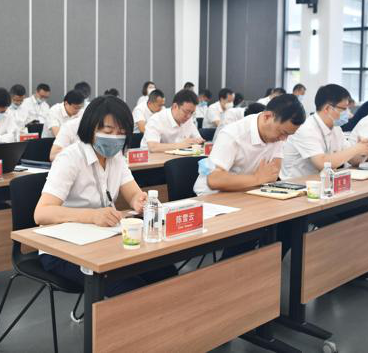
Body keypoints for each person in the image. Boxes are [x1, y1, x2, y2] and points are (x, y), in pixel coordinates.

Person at [34, 96, 177, 296]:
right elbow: (41, 213)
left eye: (121, 133)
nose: (115, 138)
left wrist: (140, 200)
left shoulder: (116, 157)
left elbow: (133, 193)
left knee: (165, 271)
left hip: (103, 239)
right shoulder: (69, 158)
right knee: (129, 287)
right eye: (108, 132)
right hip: (62, 249)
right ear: (90, 128)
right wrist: (92, 216)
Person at [194, 94, 305, 196]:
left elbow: (272, 174)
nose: (284, 139)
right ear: (267, 117)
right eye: (283, 133)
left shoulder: (277, 135)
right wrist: (257, 178)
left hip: (247, 192)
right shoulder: (233, 134)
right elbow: (214, 180)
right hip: (212, 196)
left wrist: (259, 179)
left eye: (288, 135)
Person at [280, 84, 368, 180]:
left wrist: (364, 150)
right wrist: (356, 148)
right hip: (296, 183)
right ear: (328, 108)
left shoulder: (336, 128)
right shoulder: (306, 128)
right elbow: (322, 163)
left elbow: (353, 161)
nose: (348, 113)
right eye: (344, 109)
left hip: (321, 182)